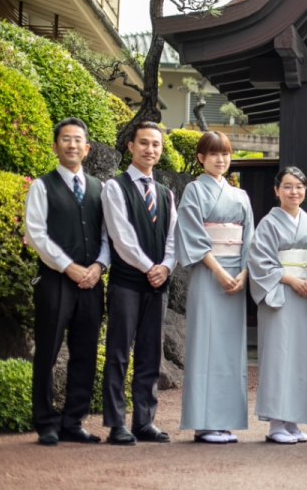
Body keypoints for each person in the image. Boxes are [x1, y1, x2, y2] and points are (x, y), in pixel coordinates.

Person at [25, 117, 109, 446]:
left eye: (78, 140)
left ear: (87, 149)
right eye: (65, 139)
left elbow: (107, 234)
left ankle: (73, 420)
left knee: (86, 351)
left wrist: (100, 266)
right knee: (47, 350)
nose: (72, 145)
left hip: (92, 281)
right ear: (55, 145)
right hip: (54, 281)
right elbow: (36, 234)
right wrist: (69, 267)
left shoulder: (100, 188)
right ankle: (45, 422)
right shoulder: (41, 186)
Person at [102, 121, 177, 446]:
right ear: (130, 146)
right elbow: (121, 237)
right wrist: (150, 267)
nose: (150, 149)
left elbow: (174, 236)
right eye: (144, 143)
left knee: (150, 354)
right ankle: (116, 423)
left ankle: (144, 421)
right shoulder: (114, 187)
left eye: (156, 145)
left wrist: (167, 266)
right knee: (119, 352)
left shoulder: (166, 193)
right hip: (127, 282)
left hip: (158, 285)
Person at [176, 132, 253, 444]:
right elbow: (192, 235)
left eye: (226, 154)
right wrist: (220, 272)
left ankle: (226, 419)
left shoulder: (241, 195)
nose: (221, 160)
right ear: (200, 158)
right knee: (206, 345)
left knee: (231, 349)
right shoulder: (193, 191)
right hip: (210, 274)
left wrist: (245, 272)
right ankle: (205, 422)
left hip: (237, 274)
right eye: (214, 154)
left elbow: (250, 239)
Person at [248, 166, 307, 444]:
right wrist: (292, 279)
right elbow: (260, 261)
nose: (294, 192)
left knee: (303, 358)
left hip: (306, 294)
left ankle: (293, 421)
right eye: (288, 186)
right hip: (279, 292)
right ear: (276, 190)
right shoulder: (268, 223)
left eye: (299, 186)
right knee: (278, 357)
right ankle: (275, 423)